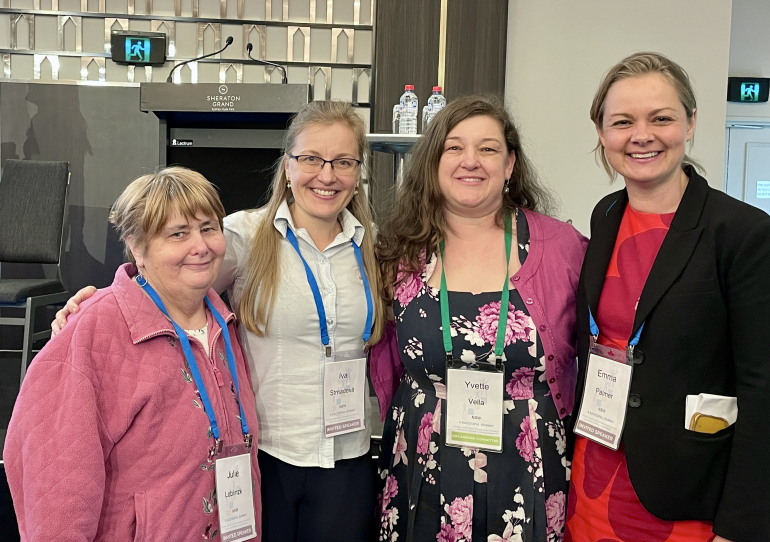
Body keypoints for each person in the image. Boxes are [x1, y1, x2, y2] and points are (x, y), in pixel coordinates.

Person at [51, 101, 386, 542]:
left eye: (343, 161)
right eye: (310, 159)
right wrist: (97, 306)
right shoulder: (245, 236)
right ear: (288, 166)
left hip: (350, 456)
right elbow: (171, 273)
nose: (327, 175)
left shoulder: (375, 245)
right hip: (268, 455)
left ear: (357, 170)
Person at [566, 52, 770, 542]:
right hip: (593, 472)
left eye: (661, 118)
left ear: (691, 122)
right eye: (622, 121)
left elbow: (763, 387)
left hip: (683, 498)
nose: (642, 135)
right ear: (601, 132)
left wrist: (740, 526)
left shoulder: (742, 233)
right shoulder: (606, 215)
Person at [4, 167, 261, 541]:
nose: (201, 245)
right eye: (178, 234)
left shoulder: (223, 323)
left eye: (209, 228)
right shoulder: (93, 330)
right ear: (137, 247)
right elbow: (54, 487)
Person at [375, 95, 588, 542]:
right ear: (433, 161)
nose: (470, 161)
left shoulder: (563, 247)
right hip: (423, 460)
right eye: (454, 147)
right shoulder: (400, 250)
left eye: (488, 149)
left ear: (510, 164)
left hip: (528, 465)